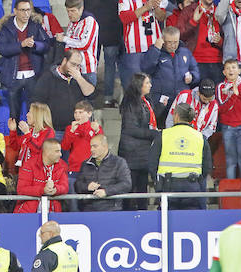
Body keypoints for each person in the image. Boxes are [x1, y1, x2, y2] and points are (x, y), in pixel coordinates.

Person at [0, 0, 50, 119]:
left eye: (28, 10)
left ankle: (33, 137)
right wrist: (21, 45)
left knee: (35, 114)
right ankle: (16, 137)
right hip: (13, 76)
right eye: (22, 10)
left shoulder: (35, 26)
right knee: (14, 114)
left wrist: (35, 45)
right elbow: (2, 48)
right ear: (15, 11)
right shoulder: (6, 28)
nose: (26, 13)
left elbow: (46, 45)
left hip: (33, 75)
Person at [119, 0, 168, 76]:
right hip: (134, 48)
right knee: (137, 85)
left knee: (154, 82)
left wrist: (156, 8)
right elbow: (124, 18)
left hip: (154, 46)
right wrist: (146, 7)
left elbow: (162, 17)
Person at [118, 74, 159, 209]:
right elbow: (131, 129)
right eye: (147, 83)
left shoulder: (145, 101)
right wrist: (153, 134)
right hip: (131, 153)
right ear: (139, 85)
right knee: (130, 189)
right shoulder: (130, 103)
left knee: (143, 189)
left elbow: (147, 121)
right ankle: (127, 217)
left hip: (143, 153)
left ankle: (143, 215)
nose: (150, 85)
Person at [32, 50, 97, 134]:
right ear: (64, 61)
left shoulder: (80, 78)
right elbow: (37, 101)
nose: (76, 68)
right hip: (55, 130)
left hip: (77, 130)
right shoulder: (47, 77)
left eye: (78, 66)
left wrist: (79, 78)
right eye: (73, 64)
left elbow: (91, 94)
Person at [142, 27, 199, 116]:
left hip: (181, 100)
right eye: (169, 42)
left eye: (175, 42)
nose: (173, 45)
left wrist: (192, 77)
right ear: (163, 40)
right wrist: (156, 49)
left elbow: (196, 71)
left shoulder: (185, 52)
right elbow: (146, 69)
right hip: (161, 100)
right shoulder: (155, 51)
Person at [176, 0, 223, 85]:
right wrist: (193, 22)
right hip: (195, 62)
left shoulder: (220, 12)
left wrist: (220, 41)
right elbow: (179, 36)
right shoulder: (188, 11)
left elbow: (230, 40)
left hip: (217, 63)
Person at [216, 60, 241, 179]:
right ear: (224, 72)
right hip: (227, 127)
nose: (231, 70)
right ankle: (231, 191)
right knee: (230, 160)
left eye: (233, 67)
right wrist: (234, 95)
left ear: (239, 71)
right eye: (228, 68)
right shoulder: (221, 87)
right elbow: (221, 108)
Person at [74, 132, 133, 211]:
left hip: (111, 209)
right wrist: (87, 187)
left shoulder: (119, 162)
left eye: (95, 146)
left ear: (105, 146)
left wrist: (106, 192)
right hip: (88, 209)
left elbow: (126, 184)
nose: (92, 149)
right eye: (91, 146)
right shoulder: (85, 164)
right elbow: (77, 185)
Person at [14, 138, 68, 213]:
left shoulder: (62, 165)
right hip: (29, 213)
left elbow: (65, 187)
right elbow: (21, 190)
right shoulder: (29, 165)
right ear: (47, 152)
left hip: (53, 212)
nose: (60, 154)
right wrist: (43, 190)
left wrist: (55, 189)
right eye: (57, 151)